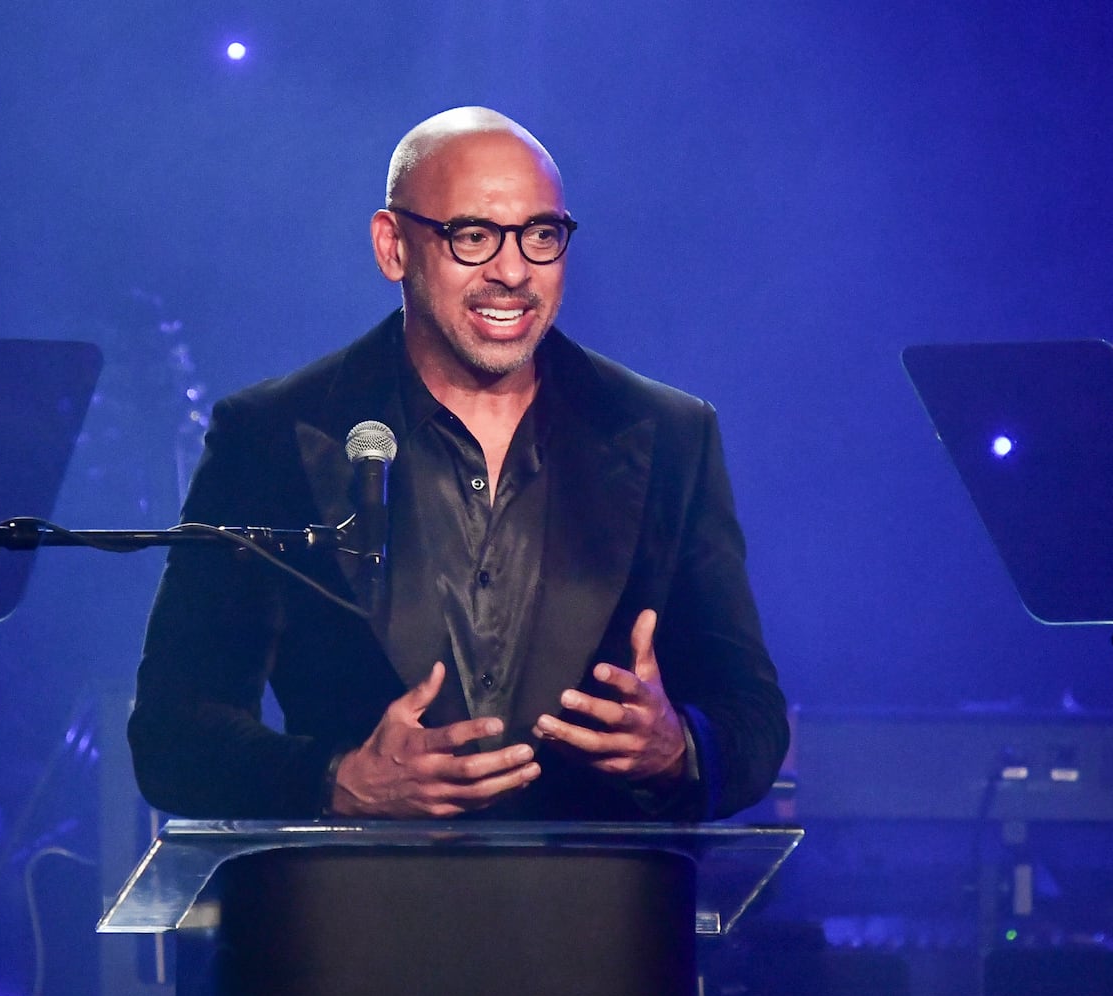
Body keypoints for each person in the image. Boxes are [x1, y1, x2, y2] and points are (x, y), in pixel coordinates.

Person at [129, 106, 788, 821]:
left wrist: (680, 747)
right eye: (473, 236)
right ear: (392, 247)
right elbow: (173, 733)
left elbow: (752, 717)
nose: (513, 271)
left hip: (597, 915)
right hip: (348, 917)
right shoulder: (269, 435)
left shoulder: (670, 435)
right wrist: (337, 779)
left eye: (541, 235)